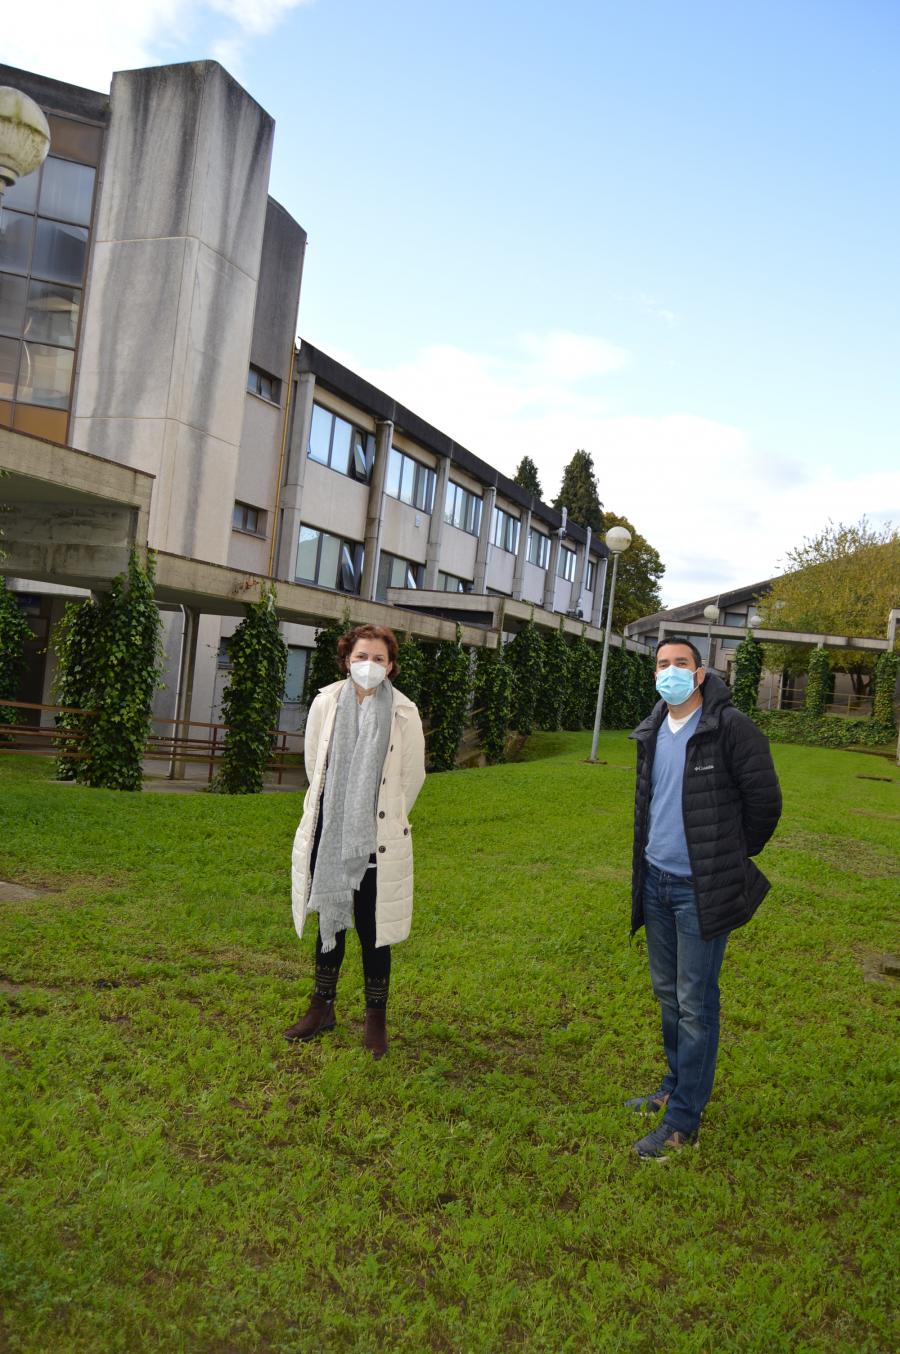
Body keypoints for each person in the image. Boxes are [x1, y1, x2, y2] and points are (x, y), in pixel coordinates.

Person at [628, 636, 782, 1160]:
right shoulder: (652, 730)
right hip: (656, 882)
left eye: (680, 664)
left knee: (696, 1003)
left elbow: (765, 802)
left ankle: (682, 1121)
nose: (670, 671)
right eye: (662, 664)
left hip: (701, 888)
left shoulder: (729, 727)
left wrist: (729, 855)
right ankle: (674, 1086)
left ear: (699, 674)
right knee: (669, 994)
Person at [285, 624, 426, 1059]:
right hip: (331, 833)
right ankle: (321, 1007)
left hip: (377, 841)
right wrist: (341, 814)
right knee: (331, 919)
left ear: (390, 666)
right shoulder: (326, 702)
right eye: (361, 656)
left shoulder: (405, 713)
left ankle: (375, 1020)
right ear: (347, 659)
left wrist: (379, 818)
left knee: (373, 930)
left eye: (379, 659)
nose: (369, 665)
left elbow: (411, 779)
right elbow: (315, 765)